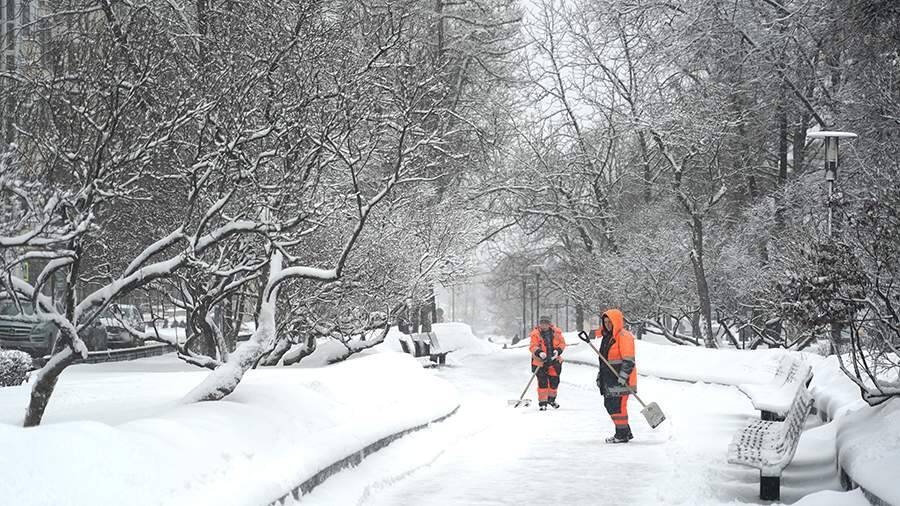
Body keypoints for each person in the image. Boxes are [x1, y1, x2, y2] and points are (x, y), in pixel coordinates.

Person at [586, 309, 637, 443]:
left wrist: (623, 376)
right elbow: (605, 361)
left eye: (610, 322)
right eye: (606, 322)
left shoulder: (624, 336)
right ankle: (625, 432)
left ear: (617, 322)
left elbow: (629, 360)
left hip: (621, 380)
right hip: (609, 379)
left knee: (617, 407)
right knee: (610, 405)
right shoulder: (607, 337)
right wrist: (600, 376)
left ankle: (621, 435)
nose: (608, 324)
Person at [529, 315, 566, 411]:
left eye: (546, 323)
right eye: (542, 323)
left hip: (554, 361)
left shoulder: (556, 333)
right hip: (540, 362)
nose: (543, 325)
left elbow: (562, 343)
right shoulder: (535, 334)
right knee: (543, 382)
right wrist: (540, 353)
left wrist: (558, 351)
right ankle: (543, 402)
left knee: (555, 382)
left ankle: (551, 400)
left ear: (549, 324)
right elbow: (533, 346)